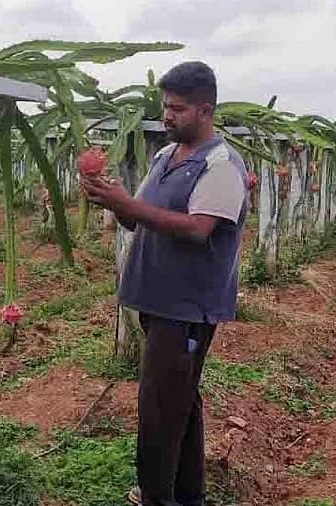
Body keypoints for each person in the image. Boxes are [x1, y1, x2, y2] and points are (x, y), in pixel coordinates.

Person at [80, 61, 250, 506]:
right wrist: (113, 200)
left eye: (177, 109)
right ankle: (187, 495)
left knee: (158, 415)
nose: (167, 116)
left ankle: (157, 497)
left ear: (205, 110)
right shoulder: (163, 157)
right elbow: (138, 219)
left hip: (186, 310)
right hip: (158, 304)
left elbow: (198, 229)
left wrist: (127, 206)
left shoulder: (221, 166)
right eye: (165, 107)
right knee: (182, 406)